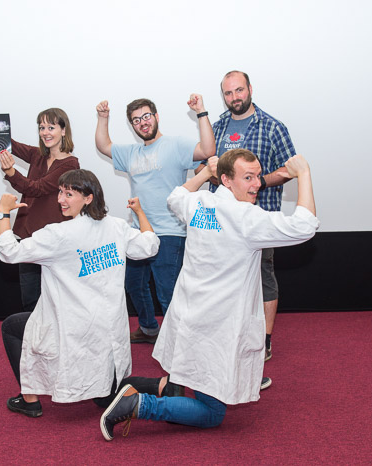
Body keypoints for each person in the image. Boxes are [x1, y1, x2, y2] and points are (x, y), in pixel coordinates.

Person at [100, 149, 319, 440]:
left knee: (194, 378)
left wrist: (204, 173)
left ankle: (160, 392)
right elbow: (305, 225)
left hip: (190, 313)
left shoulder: (201, 202)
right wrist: (303, 174)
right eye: (248, 178)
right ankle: (140, 404)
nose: (256, 184)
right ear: (227, 180)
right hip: (218, 324)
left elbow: (175, 196)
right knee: (213, 413)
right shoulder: (247, 218)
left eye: (257, 176)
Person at [0, 169, 161, 417]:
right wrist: (139, 212)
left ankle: (29, 399)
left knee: (11, 326)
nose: (61, 199)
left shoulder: (58, 235)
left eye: (69, 194)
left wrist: (4, 212)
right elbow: (150, 245)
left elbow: (8, 252)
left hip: (71, 324)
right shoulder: (116, 226)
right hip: (109, 326)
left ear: (88, 198)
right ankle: (161, 385)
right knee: (106, 398)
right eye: (60, 192)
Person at [0, 106, 80, 387]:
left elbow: (37, 188)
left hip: (53, 243)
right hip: (27, 237)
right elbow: (9, 144)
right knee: (31, 302)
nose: (46, 133)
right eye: (41, 128)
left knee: (55, 303)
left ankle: (60, 361)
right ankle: (38, 363)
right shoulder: (36, 155)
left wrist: (9, 172)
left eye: (51, 127)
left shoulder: (70, 164)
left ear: (63, 130)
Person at [95, 95, 215, 343]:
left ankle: (180, 342)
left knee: (167, 292)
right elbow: (103, 145)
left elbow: (208, 150)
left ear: (156, 117)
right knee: (134, 286)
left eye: (146, 116)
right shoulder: (130, 153)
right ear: (132, 125)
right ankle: (149, 329)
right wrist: (103, 118)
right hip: (138, 232)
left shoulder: (176, 145)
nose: (142, 122)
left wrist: (201, 113)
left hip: (170, 232)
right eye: (136, 120)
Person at [201, 70, 296, 361]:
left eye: (239, 91)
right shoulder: (217, 126)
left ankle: (264, 339)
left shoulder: (272, 127)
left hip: (259, 217)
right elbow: (207, 167)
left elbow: (290, 169)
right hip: (221, 221)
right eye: (228, 93)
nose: (234, 98)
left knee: (263, 276)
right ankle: (225, 332)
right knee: (222, 276)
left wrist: (259, 182)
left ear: (250, 89)